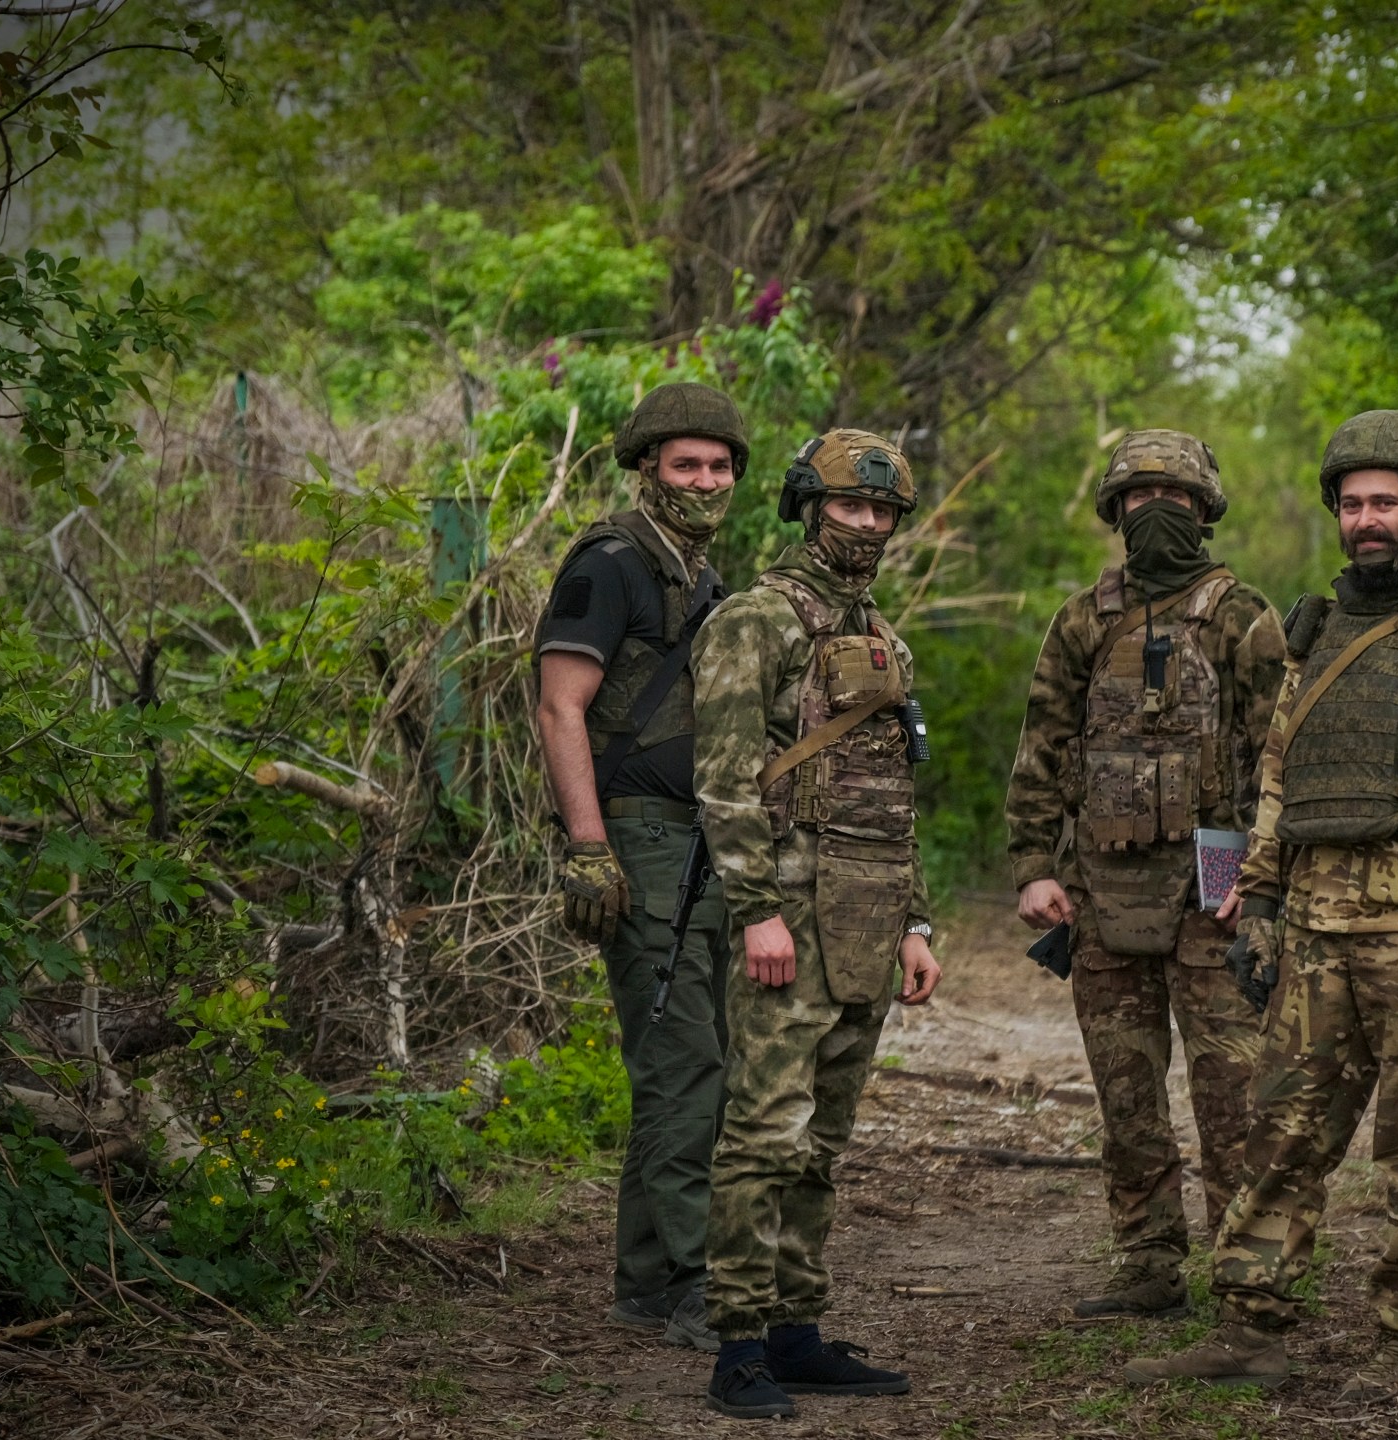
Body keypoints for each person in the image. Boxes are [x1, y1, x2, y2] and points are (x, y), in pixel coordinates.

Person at [1124, 409, 1398, 1401]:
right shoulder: (1320, 624)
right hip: (1316, 932)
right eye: (1351, 503)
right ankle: (1249, 1327)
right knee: (1282, 1131)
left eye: (1383, 502)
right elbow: (1277, 779)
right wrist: (1260, 905)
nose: (1364, 520)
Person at [689, 428, 945, 1420]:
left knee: (822, 1139)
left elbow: (891, 794)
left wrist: (916, 922)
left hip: (869, 911)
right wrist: (754, 910)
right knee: (762, 1132)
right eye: (850, 505)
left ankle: (796, 1330)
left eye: (882, 511)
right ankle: (739, 1344)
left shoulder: (885, 635)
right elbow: (721, 783)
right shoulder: (754, 620)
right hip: (788, 911)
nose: (867, 524)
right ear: (810, 505)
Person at [1003, 429, 1286, 1318]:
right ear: (1115, 511)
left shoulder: (1246, 617)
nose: (1155, 511)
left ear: (1204, 511)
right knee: (1126, 1094)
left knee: (1234, 1095)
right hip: (1103, 894)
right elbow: (1043, 746)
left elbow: (1281, 761)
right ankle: (1149, 1264)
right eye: (1137, 497)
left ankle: (1251, 1274)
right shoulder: (1083, 619)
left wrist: (1268, 876)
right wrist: (1032, 868)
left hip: (1220, 899)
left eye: (1174, 498)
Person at [533, 381, 747, 1353]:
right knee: (684, 1066)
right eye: (685, 464)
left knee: (683, 1066)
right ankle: (703, 1286)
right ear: (647, 469)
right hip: (639, 843)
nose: (704, 480)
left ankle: (645, 1284)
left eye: (718, 465)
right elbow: (559, 707)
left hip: (698, 842)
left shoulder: (699, 574)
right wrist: (587, 847)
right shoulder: (612, 562)